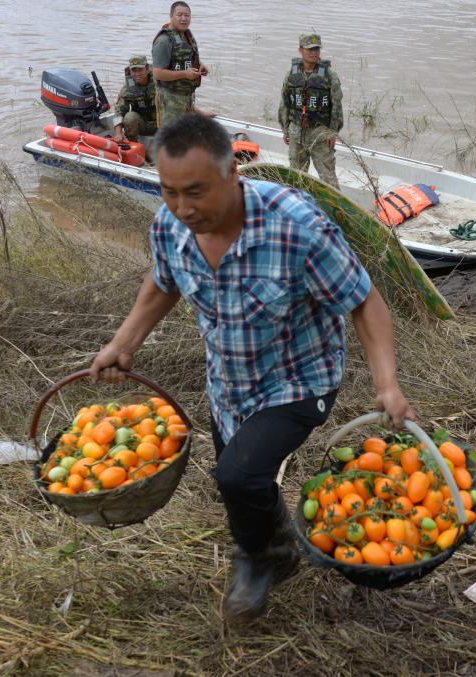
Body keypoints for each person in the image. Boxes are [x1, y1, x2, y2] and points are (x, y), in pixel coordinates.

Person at [88, 113, 414, 620]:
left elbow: (364, 303)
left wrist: (387, 384)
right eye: (169, 192)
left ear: (232, 176)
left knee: (237, 475)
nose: (182, 207)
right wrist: (123, 343)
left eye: (195, 192)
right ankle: (281, 546)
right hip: (229, 385)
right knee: (245, 480)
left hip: (300, 378)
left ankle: (255, 559)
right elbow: (161, 284)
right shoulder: (169, 225)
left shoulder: (297, 227)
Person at [278, 33, 343, 189]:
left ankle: (336, 210)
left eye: (317, 49)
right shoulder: (291, 75)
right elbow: (285, 103)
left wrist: (333, 132)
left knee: (328, 180)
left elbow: (337, 105)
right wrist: (285, 129)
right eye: (310, 49)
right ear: (300, 50)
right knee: (296, 177)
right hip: (296, 134)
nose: (314, 53)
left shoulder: (330, 75)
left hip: (320, 134)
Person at [151, 1, 208, 126]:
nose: (184, 19)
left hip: (187, 97)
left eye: (187, 15)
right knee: (171, 138)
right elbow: (158, 73)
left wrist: (200, 66)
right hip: (170, 99)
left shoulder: (187, 34)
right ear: (171, 16)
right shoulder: (164, 40)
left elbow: (186, 58)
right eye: (179, 15)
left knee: (185, 135)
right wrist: (184, 74)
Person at [113, 55, 158, 142]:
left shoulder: (159, 80)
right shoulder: (127, 89)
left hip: (162, 123)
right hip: (142, 124)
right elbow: (119, 111)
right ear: (130, 71)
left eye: (140, 70)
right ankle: (133, 145)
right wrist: (118, 133)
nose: (137, 74)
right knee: (130, 117)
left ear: (147, 69)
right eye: (134, 70)